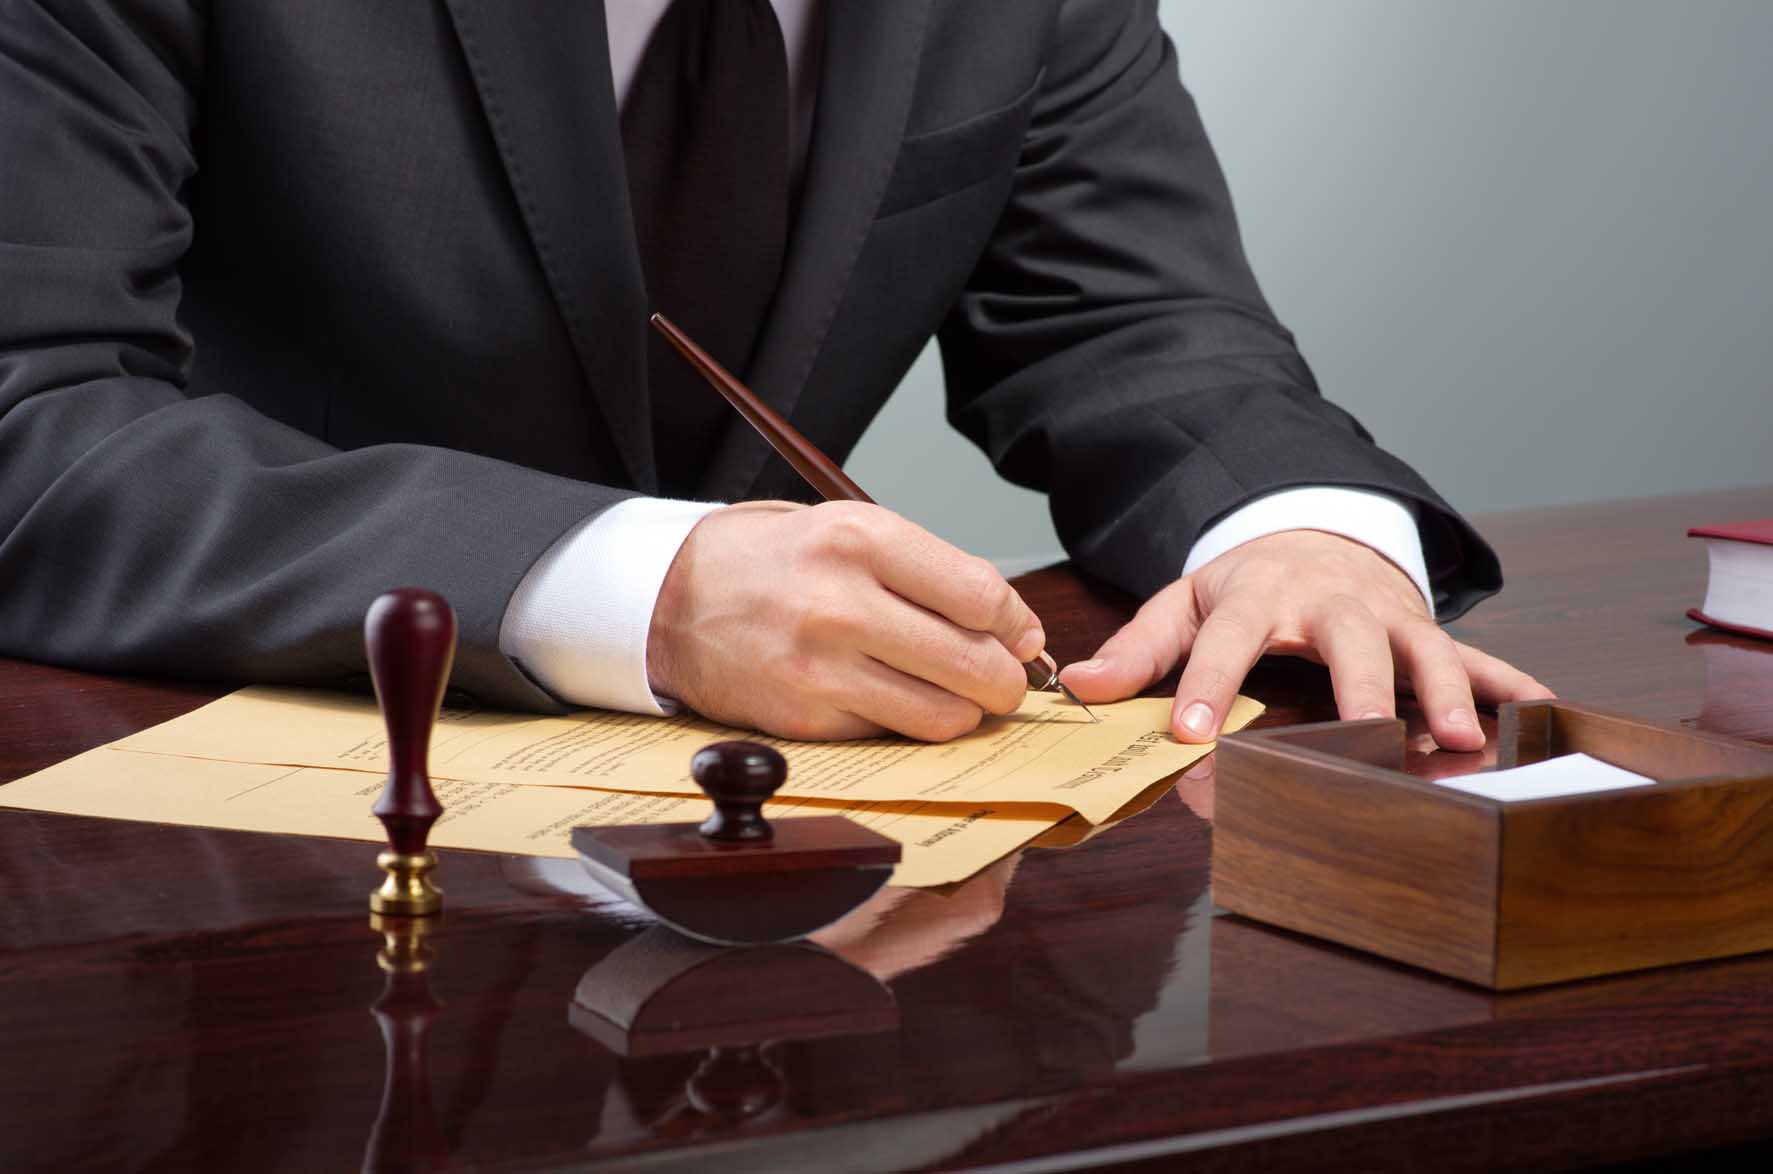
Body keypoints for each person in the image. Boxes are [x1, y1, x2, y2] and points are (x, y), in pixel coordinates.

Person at [0, 0, 1548, 749]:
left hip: (767, 923)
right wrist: (641, 586)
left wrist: (1292, 528)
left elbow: (1135, 321)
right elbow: (33, 417)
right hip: (199, 875)